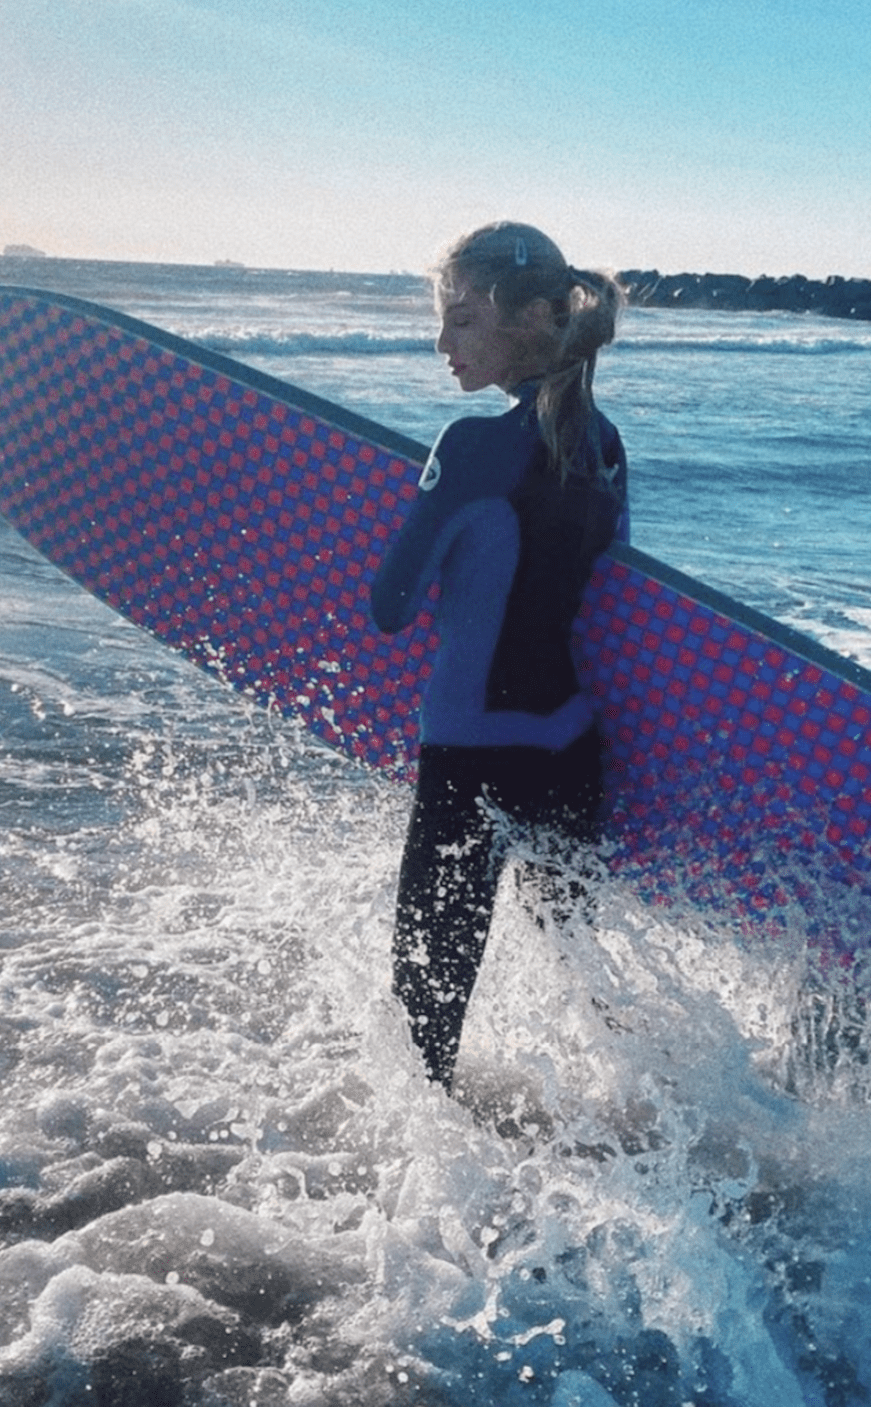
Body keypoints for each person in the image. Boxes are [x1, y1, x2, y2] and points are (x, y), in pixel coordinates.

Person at [370, 221, 629, 1092]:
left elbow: (389, 608)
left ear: (524, 321)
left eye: (463, 320)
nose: (443, 343)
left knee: (425, 1022)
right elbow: (611, 599)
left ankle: (431, 1217)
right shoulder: (606, 444)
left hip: (469, 761)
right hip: (570, 753)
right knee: (581, 989)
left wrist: (423, 512)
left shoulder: (470, 446)